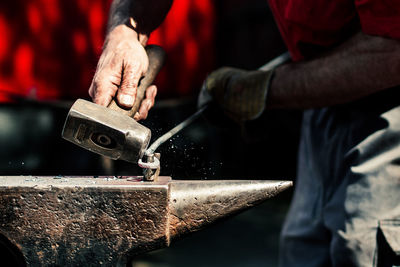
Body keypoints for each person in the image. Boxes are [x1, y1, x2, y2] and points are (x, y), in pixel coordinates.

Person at [91, 0, 400, 266]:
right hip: (322, 105)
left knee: (363, 247)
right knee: (305, 251)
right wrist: (125, 32)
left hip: (389, 105)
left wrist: (265, 90)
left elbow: (391, 54)